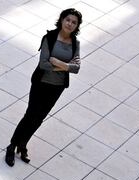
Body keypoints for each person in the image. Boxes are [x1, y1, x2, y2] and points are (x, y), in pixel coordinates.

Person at [5, 8, 83, 167]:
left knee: (39, 118)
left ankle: (23, 144)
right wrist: (66, 66)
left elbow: (76, 68)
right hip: (41, 83)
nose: (70, 24)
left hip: (57, 87)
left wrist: (58, 63)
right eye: (68, 20)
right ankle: (12, 146)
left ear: (77, 26)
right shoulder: (50, 37)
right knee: (30, 115)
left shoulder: (76, 44)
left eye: (74, 22)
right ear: (61, 20)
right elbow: (44, 64)